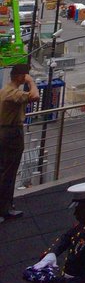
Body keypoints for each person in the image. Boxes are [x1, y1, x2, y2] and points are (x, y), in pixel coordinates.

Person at [0, 65, 39, 221]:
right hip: (11, 134)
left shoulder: (5, 90)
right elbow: (35, 96)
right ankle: (4, 209)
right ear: (19, 77)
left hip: (4, 133)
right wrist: (31, 81)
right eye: (25, 75)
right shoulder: (13, 94)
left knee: (3, 170)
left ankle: (5, 205)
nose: (26, 77)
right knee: (9, 173)